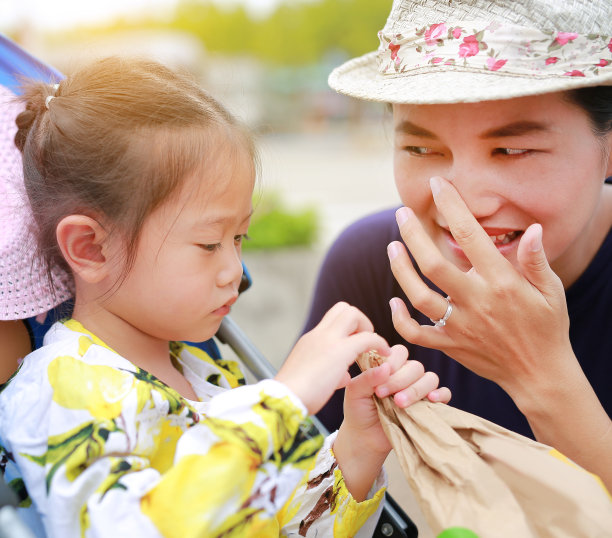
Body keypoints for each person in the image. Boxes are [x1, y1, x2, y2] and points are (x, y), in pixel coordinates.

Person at [0, 56, 449, 537]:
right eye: (209, 244)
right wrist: (282, 399)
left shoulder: (205, 370)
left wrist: (359, 447)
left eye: (240, 240)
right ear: (91, 247)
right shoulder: (61, 391)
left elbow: (282, 527)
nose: (233, 270)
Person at [303, 0, 612, 492]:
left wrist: (539, 375)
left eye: (510, 150)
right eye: (422, 149)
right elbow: (292, 503)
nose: (459, 204)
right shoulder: (372, 264)